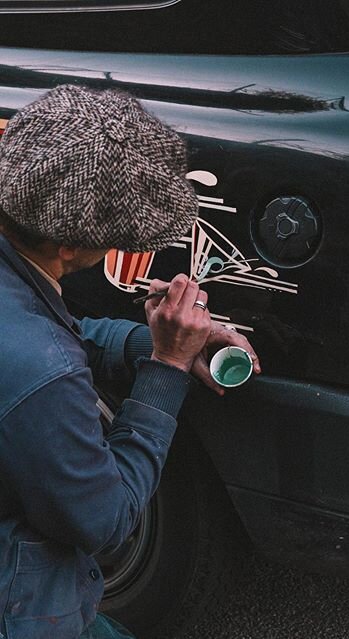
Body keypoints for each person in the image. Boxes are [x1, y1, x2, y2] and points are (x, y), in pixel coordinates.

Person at [0, 84, 260, 639]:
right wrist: (166, 370)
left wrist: (155, 344)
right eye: (120, 236)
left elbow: (49, 339)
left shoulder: (16, 290)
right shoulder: (41, 372)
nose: (126, 247)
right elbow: (107, 522)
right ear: (69, 246)